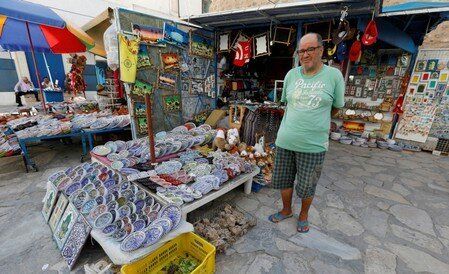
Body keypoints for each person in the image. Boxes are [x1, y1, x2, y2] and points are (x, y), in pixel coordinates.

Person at [268, 33, 345, 233]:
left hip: (313, 145)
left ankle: (303, 215)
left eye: (310, 49)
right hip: (286, 140)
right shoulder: (291, 75)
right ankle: (286, 210)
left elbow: (336, 107)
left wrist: (317, 120)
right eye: (302, 50)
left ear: (321, 50)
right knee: (283, 180)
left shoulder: (334, 75)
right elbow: (288, 104)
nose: (305, 54)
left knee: (307, 185)